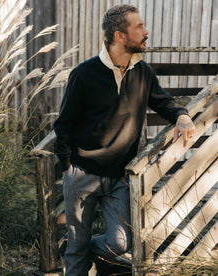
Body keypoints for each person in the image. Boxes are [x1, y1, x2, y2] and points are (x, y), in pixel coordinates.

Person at [54, 4, 196, 276]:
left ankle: (83, 252)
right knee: (77, 245)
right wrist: (68, 168)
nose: (146, 31)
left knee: (121, 242)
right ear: (120, 36)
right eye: (139, 27)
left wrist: (181, 115)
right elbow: (64, 124)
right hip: (82, 174)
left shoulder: (143, 72)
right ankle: (76, 254)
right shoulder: (84, 74)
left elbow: (163, 102)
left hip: (119, 178)